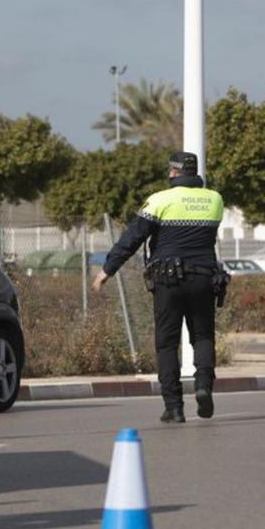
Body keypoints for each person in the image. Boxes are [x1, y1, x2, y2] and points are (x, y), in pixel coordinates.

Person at [93, 152, 226, 423]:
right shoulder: (215, 200)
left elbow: (133, 238)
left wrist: (108, 270)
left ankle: (174, 407)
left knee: (167, 343)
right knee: (202, 337)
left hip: (169, 280)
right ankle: (203, 385)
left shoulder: (160, 200)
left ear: (174, 172)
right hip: (204, 278)